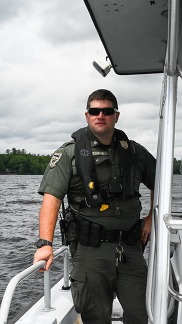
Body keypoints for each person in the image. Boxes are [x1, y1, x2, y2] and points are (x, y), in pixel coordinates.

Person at [34, 89, 156, 324]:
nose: (101, 115)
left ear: (116, 116)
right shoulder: (68, 154)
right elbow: (51, 199)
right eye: (95, 111)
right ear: (87, 115)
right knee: (95, 316)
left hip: (130, 248)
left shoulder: (135, 152)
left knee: (140, 312)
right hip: (90, 251)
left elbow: (160, 182)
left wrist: (150, 217)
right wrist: (45, 244)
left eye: (107, 111)